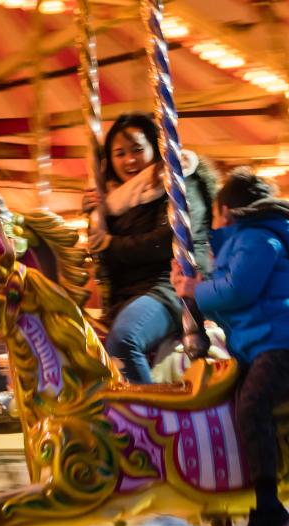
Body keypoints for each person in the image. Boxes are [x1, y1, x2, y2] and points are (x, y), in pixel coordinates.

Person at [171, 168, 289, 526]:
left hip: (281, 342)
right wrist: (191, 291)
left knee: (253, 406)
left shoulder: (257, 237)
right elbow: (233, 306)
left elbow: (239, 291)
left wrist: (196, 289)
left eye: (216, 213)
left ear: (227, 210)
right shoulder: (242, 242)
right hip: (259, 343)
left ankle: (269, 505)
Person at [84, 112, 215, 383]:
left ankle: (149, 420)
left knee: (123, 341)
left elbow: (170, 240)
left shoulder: (179, 179)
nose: (129, 160)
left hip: (172, 286)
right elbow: (101, 256)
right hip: (131, 294)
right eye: (120, 153)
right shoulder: (115, 200)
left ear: (155, 148)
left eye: (137, 150)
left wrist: (111, 244)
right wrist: (95, 216)